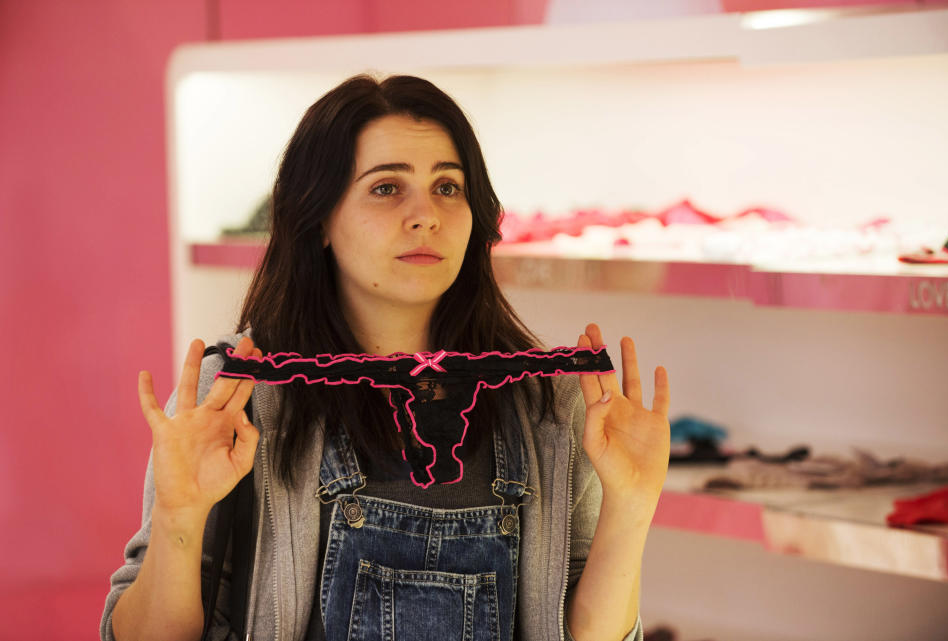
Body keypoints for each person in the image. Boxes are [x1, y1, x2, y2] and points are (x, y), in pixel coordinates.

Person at [100, 74, 670, 641]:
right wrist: (180, 514)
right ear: (318, 217)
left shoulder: (548, 405)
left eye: (448, 187)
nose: (426, 215)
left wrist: (632, 504)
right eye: (386, 188)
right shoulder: (236, 401)